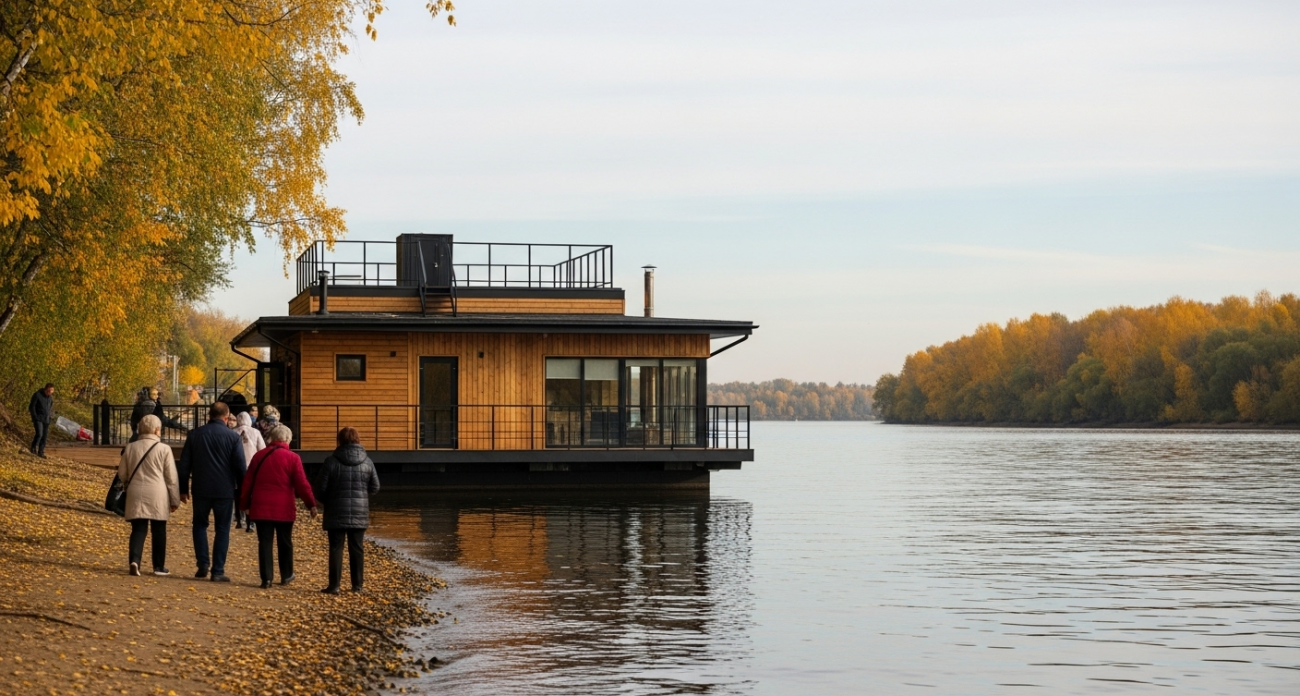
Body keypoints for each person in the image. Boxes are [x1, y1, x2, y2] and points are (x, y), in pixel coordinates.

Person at [239, 425, 317, 589]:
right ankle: (286, 574)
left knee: (265, 542)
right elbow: (302, 484)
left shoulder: (258, 456)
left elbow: (247, 483)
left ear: (271, 439)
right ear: (288, 439)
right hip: (284, 507)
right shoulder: (292, 458)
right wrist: (311, 504)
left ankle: (266, 578)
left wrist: (244, 505)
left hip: (261, 507)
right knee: (285, 541)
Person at [177, 402, 247, 582]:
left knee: (199, 525)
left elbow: (184, 465)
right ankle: (218, 570)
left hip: (201, 488)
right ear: (226, 417)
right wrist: (243, 492)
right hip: (224, 490)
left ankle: (202, 564)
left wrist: (183, 489)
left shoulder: (195, 435)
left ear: (209, 415)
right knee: (222, 529)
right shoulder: (232, 437)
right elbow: (240, 467)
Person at [313, 427, 380, 594]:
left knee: (336, 548)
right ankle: (357, 586)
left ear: (340, 440)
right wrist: (362, 496)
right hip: (359, 512)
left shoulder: (331, 461)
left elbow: (320, 488)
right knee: (357, 548)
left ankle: (334, 586)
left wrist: (325, 500)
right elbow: (375, 487)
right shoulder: (367, 462)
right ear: (358, 440)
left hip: (335, 511)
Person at [117, 415, 180, 576]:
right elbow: (171, 477)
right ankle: (158, 566)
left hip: (135, 491)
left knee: (138, 529)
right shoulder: (164, 449)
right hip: (157, 492)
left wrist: (127, 483)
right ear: (157, 430)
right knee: (159, 530)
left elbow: (122, 473)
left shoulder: (130, 447)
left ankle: (135, 560)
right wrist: (174, 499)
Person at [233, 412, 266, 533]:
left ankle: (239, 519)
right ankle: (250, 522)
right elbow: (262, 449)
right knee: (250, 494)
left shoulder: (233, 432)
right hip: (252, 467)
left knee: (237, 493)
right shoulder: (256, 432)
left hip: (236, 468)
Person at [28, 383, 54, 457]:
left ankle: (41, 451)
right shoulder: (37, 395)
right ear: (46, 389)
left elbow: (50, 406)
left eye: (52, 391)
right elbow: (32, 407)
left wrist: (50, 416)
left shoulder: (50, 398)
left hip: (46, 419)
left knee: (44, 436)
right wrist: (35, 416)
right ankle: (33, 447)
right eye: (50, 390)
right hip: (38, 418)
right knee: (39, 434)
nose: (51, 392)